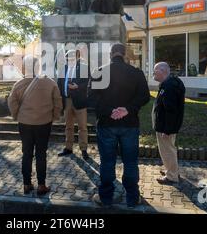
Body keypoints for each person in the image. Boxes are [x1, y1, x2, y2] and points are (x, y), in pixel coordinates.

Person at [89, 43, 150, 208]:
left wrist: (110, 111)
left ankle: (105, 198)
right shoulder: (136, 72)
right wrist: (127, 110)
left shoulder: (99, 72)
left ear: (111, 55)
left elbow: (92, 98)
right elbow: (145, 96)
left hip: (106, 124)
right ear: (124, 55)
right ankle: (132, 198)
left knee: (107, 162)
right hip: (129, 124)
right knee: (130, 162)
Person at [8, 55, 63, 196]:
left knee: (26, 154)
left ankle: (26, 184)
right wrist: (55, 116)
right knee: (41, 154)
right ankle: (41, 185)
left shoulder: (18, 84)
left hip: (25, 123)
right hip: (44, 123)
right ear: (38, 67)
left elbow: (11, 102)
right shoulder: (49, 83)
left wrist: (16, 115)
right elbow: (58, 101)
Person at [152, 62, 185, 185]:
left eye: (155, 71)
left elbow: (171, 110)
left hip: (166, 127)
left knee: (168, 150)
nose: (154, 73)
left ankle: (171, 176)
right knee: (168, 149)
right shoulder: (168, 84)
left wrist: (167, 129)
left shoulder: (169, 86)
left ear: (162, 71)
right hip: (165, 126)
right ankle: (172, 171)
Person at [57, 50, 90, 160]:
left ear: (77, 57)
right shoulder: (63, 69)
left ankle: (84, 149)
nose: (69, 60)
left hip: (79, 101)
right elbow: (59, 85)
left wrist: (78, 87)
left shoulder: (84, 68)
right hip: (67, 101)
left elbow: (88, 83)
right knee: (68, 126)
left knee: (82, 127)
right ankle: (68, 148)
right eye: (67, 58)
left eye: (71, 58)